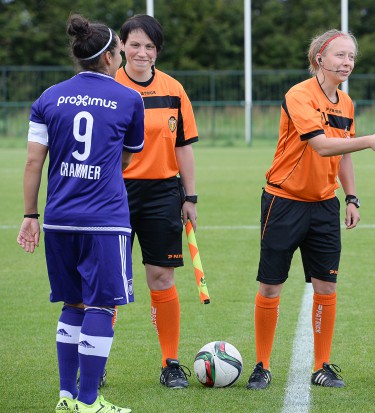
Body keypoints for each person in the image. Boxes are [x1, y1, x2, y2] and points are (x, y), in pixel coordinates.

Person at [245, 29, 375, 391]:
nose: (347, 63)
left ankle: (321, 365)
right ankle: (261, 365)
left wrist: (352, 197)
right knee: (271, 287)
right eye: (339, 56)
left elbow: (342, 152)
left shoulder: (346, 104)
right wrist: (372, 141)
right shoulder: (299, 94)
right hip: (283, 202)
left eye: (351, 57)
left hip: (324, 206)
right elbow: (322, 146)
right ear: (320, 59)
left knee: (326, 287)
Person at [17, 14, 144, 413]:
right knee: (102, 307)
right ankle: (89, 401)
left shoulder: (48, 97)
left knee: (72, 304)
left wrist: (30, 215)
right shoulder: (129, 99)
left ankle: (66, 399)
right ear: (108, 57)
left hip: (57, 218)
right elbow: (125, 157)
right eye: (121, 51)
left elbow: (33, 164)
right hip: (104, 220)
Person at [115, 14, 198, 389]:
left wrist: (190, 196)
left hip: (164, 192)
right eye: (134, 44)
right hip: (113, 192)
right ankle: (97, 360)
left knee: (161, 277)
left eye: (149, 46)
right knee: (107, 281)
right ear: (121, 47)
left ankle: (171, 363)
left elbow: (183, 148)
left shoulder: (173, 89)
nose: (142, 52)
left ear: (157, 51)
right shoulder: (109, 86)